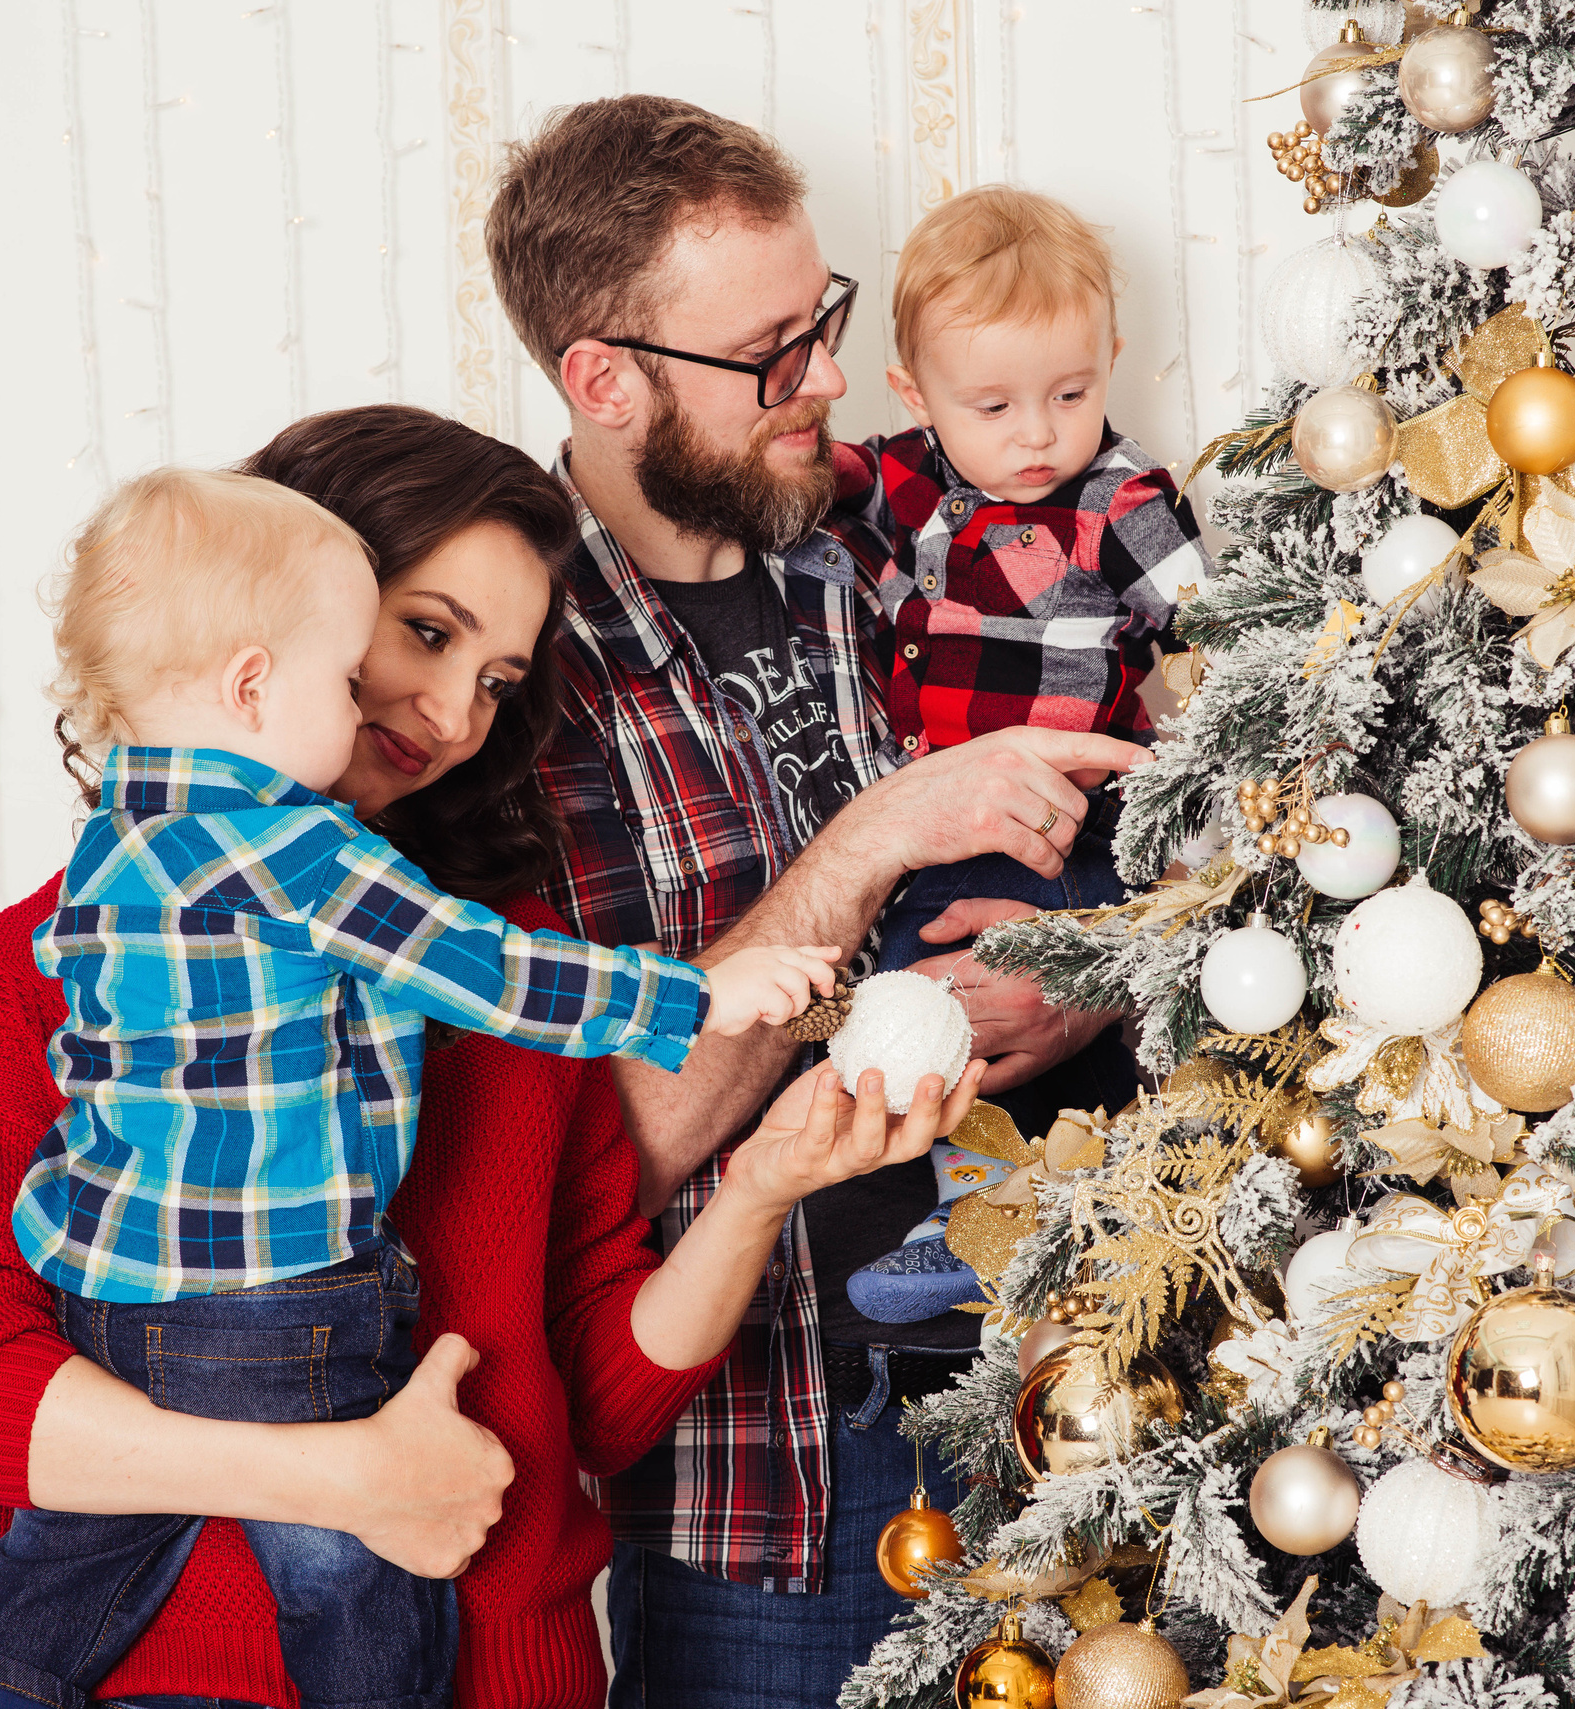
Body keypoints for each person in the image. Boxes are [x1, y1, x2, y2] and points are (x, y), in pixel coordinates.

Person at [0, 404, 984, 1709]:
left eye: (498, 680)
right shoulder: (53, 956)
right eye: (426, 634)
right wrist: (335, 1480)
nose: (452, 715)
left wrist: (761, 1189)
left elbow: (590, 1401)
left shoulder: (520, 963)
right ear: (274, 625)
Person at [483, 97, 1149, 1705]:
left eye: (826, 321)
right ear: (604, 377)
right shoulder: (505, 675)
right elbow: (603, 1149)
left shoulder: (894, 535)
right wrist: (863, 844)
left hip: (1067, 1376)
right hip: (784, 1478)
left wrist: (1106, 967)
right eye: (774, 354)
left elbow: (1171, 791)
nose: (834, 382)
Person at [839, 185, 1208, 1321]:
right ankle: (975, 1200)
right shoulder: (902, 480)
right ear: (915, 396)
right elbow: (801, 496)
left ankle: (1024, 1208)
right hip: (936, 814)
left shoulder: (1122, 501)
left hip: (1067, 817)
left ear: (1111, 359)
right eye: (991, 404)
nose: (1037, 432)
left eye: (1071, 391)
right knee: (910, 988)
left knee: (1046, 1009)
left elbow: (1221, 631)